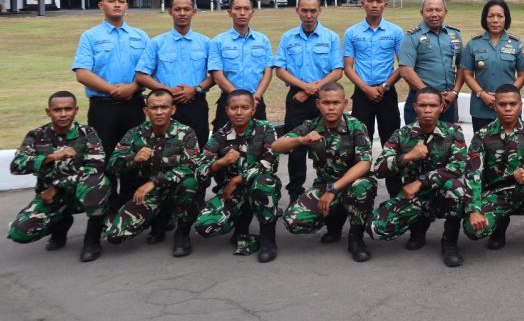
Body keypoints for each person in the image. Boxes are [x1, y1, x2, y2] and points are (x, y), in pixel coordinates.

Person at [273, 83, 376, 262]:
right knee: (293, 221)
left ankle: (356, 238)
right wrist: (301, 139)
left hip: (353, 183)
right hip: (325, 185)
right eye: (326, 102)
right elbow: (276, 146)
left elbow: (364, 164)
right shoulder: (311, 126)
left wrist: (334, 190)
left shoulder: (356, 126)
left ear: (345, 104)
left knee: (362, 187)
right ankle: (334, 224)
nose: (331, 107)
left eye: (336, 102)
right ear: (317, 104)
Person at [369, 87, 470, 267]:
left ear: (441, 107)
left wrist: (421, 181)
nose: (428, 110)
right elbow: (378, 169)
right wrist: (406, 157)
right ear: (415, 107)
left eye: (433, 105)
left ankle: (450, 242)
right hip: (412, 197)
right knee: (376, 229)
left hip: (441, 195)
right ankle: (418, 228)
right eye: (423, 105)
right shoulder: (401, 135)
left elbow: (458, 166)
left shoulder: (453, 132)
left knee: (457, 189)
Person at [7, 91, 110, 262]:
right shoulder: (36, 135)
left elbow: (95, 167)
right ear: (48, 112)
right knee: (19, 233)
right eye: (57, 110)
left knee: (98, 184)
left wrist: (55, 187)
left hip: (80, 193)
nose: (63, 114)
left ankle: (92, 240)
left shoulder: (88, 133)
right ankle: (60, 224)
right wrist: (51, 157)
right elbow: (16, 166)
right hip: (50, 198)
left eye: (68, 109)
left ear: (76, 110)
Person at [71, 0, 149, 207]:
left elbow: (148, 69)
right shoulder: (90, 37)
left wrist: (132, 88)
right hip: (103, 107)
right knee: (103, 156)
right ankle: (107, 205)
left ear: (127, 5)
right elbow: (82, 72)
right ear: (101, 6)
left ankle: (130, 204)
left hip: (134, 104)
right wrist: (112, 89)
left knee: (135, 155)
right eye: (111, 0)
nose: (117, 4)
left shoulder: (140, 36)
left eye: (121, 0)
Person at [463, 84, 524, 259]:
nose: (508, 108)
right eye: (502, 104)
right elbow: (473, 174)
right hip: (496, 195)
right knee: (474, 231)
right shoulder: (482, 136)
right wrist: (474, 210)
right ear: (494, 105)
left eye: (513, 104)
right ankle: (499, 227)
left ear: (520, 105)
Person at [103, 90, 201, 257]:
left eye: (164, 107)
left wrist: (155, 182)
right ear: (146, 111)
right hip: (147, 194)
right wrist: (134, 158)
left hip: (173, 189)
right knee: (114, 235)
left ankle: (182, 233)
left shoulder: (186, 132)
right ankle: (157, 221)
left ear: (173, 110)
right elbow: (112, 165)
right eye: (154, 108)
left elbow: (191, 166)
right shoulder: (134, 134)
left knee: (190, 182)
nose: (159, 112)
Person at [272, 0, 344, 202]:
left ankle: (330, 188)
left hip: (325, 97)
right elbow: (280, 70)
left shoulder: (330, 37)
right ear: (297, 10)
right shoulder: (288, 37)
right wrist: (304, 88)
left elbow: (337, 70)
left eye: (313, 10)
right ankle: (296, 193)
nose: (309, 15)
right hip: (297, 98)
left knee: (331, 146)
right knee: (296, 147)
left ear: (320, 11)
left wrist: (314, 90)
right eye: (305, 10)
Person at [194, 90, 281, 263]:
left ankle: (268, 239)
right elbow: (199, 170)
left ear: (253, 110)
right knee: (205, 226)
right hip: (233, 193)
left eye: (244, 107)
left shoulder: (265, 129)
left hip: (259, 186)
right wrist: (219, 163)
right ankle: (240, 228)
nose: (239, 112)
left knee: (265, 182)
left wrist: (237, 179)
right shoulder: (220, 136)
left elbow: (271, 163)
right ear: (226, 110)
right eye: (234, 108)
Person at [343, 0, 405, 201]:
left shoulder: (395, 32)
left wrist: (385, 86)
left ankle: (396, 196)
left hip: (387, 93)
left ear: (385, 4)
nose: (375, 5)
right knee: (360, 144)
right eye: (370, 1)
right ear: (363, 4)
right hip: (362, 94)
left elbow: (402, 65)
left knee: (392, 143)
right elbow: (348, 67)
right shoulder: (352, 32)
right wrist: (366, 89)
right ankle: (361, 194)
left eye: (379, 1)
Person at [135, 0, 214, 147]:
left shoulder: (206, 43)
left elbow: (215, 76)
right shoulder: (157, 43)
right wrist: (167, 90)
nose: (182, 13)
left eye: (187, 9)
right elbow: (141, 75)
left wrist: (196, 89)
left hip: (196, 105)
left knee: (199, 147)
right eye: (178, 9)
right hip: (166, 107)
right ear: (170, 12)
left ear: (194, 12)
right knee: (165, 149)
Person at [460, 0, 524, 133]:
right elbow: (467, 74)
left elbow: (523, 75)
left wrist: (506, 96)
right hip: (481, 107)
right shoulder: (473, 43)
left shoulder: (517, 44)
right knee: (482, 147)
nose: (495, 20)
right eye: (491, 16)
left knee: (511, 147)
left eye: (500, 16)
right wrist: (482, 94)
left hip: (509, 107)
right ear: (485, 18)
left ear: (506, 18)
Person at [207, 0, 273, 130]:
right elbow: (217, 76)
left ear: (252, 13)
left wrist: (256, 97)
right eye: (237, 8)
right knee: (223, 145)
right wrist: (240, 99)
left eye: (246, 9)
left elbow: (267, 72)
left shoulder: (262, 40)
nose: (242, 13)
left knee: (259, 143)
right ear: (229, 12)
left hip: (256, 100)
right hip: (229, 101)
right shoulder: (218, 41)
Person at [398, 0, 464, 124]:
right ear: (422, 13)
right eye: (429, 10)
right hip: (422, 101)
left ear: (445, 12)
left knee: (447, 141)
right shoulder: (412, 37)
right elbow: (406, 70)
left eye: (438, 10)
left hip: (448, 101)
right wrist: (432, 96)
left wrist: (455, 92)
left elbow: (462, 66)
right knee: (418, 142)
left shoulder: (454, 35)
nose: (434, 14)